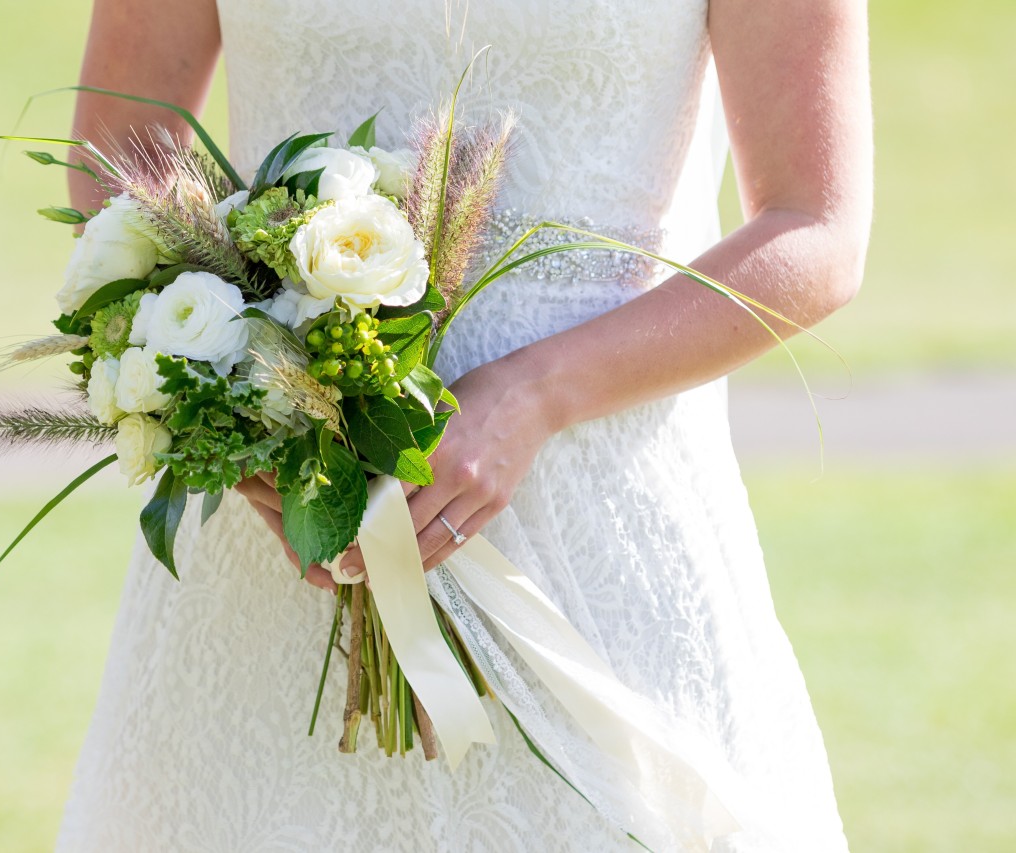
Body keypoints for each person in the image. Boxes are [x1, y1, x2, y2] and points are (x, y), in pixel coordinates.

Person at [58, 0, 872, 849]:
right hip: (273, 522)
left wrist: (533, 394)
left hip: (593, 526)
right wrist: (244, 405)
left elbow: (815, 227)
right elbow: (113, 165)